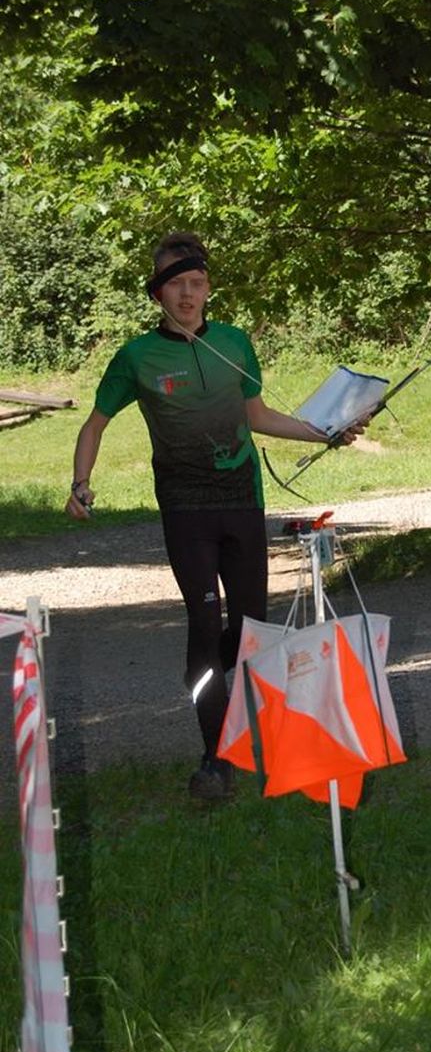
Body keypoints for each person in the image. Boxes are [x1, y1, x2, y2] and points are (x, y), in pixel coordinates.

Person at [66, 231, 362, 800]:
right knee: (204, 625)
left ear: (207, 288)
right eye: (176, 284)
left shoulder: (234, 343)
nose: (187, 294)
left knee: (251, 629)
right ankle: (216, 758)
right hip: (186, 510)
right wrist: (80, 484)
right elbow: (95, 423)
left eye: (196, 283)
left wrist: (327, 431)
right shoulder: (136, 357)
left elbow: (258, 416)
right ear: (157, 292)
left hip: (242, 502)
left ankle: (208, 679)